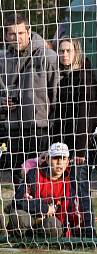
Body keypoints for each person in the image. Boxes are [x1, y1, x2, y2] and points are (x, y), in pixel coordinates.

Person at [51, 36, 97, 237]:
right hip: (63, 143)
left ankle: (88, 231)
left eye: (68, 50)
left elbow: (85, 114)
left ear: (76, 52)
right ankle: (71, 227)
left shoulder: (84, 76)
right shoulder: (65, 76)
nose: (64, 54)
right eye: (61, 51)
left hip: (78, 144)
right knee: (68, 188)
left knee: (81, 187)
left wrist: (79, 148)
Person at [1, 13, 59, 175]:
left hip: (40, 129)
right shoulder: (3, 61)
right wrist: (2, 102)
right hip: (13, 130)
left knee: (39, 180)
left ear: (29, 31)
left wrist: (53, 125)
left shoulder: (48, 57)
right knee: (18, 179)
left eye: (20, 33)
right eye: (12, 33)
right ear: (5, 36)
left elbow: (57, 95)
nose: (17, 38)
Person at [6, 143, 93, 238]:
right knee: (18, 217)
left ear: (68, 162)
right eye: (56, 158)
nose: (60, 162)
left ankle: (41, 242)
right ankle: (23, 239)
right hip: (31, 218)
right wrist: (45, 209)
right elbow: (17, 200)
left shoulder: (71, 182)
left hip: (52, 223)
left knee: (52, 225)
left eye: (63, 159)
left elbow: (73, 213)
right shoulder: (33, 174)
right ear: (48, 159)